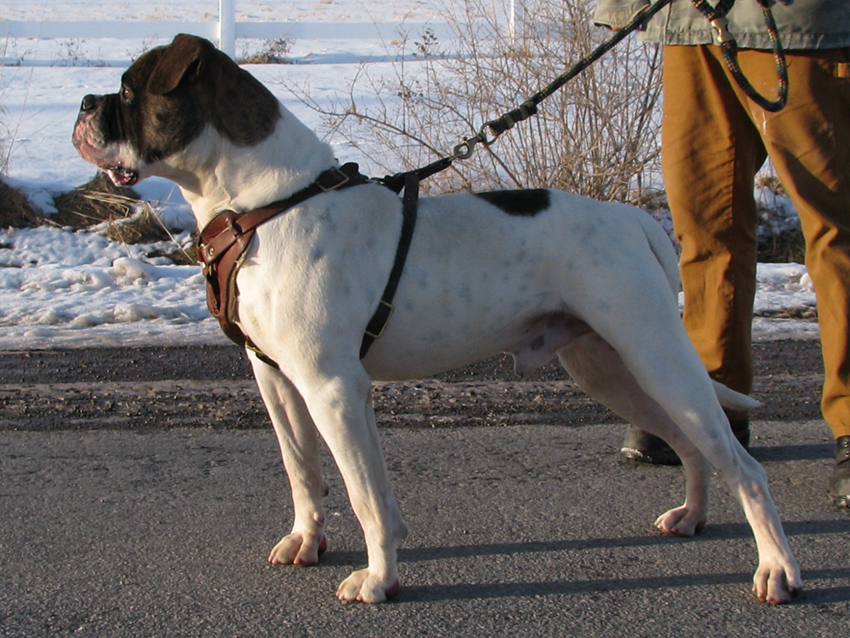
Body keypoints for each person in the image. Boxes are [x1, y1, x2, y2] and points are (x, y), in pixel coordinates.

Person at [592, 0, 850, 508]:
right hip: (691, 20)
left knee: (836, 229)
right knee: (705, 225)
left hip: (801, 23)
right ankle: (712, 405)